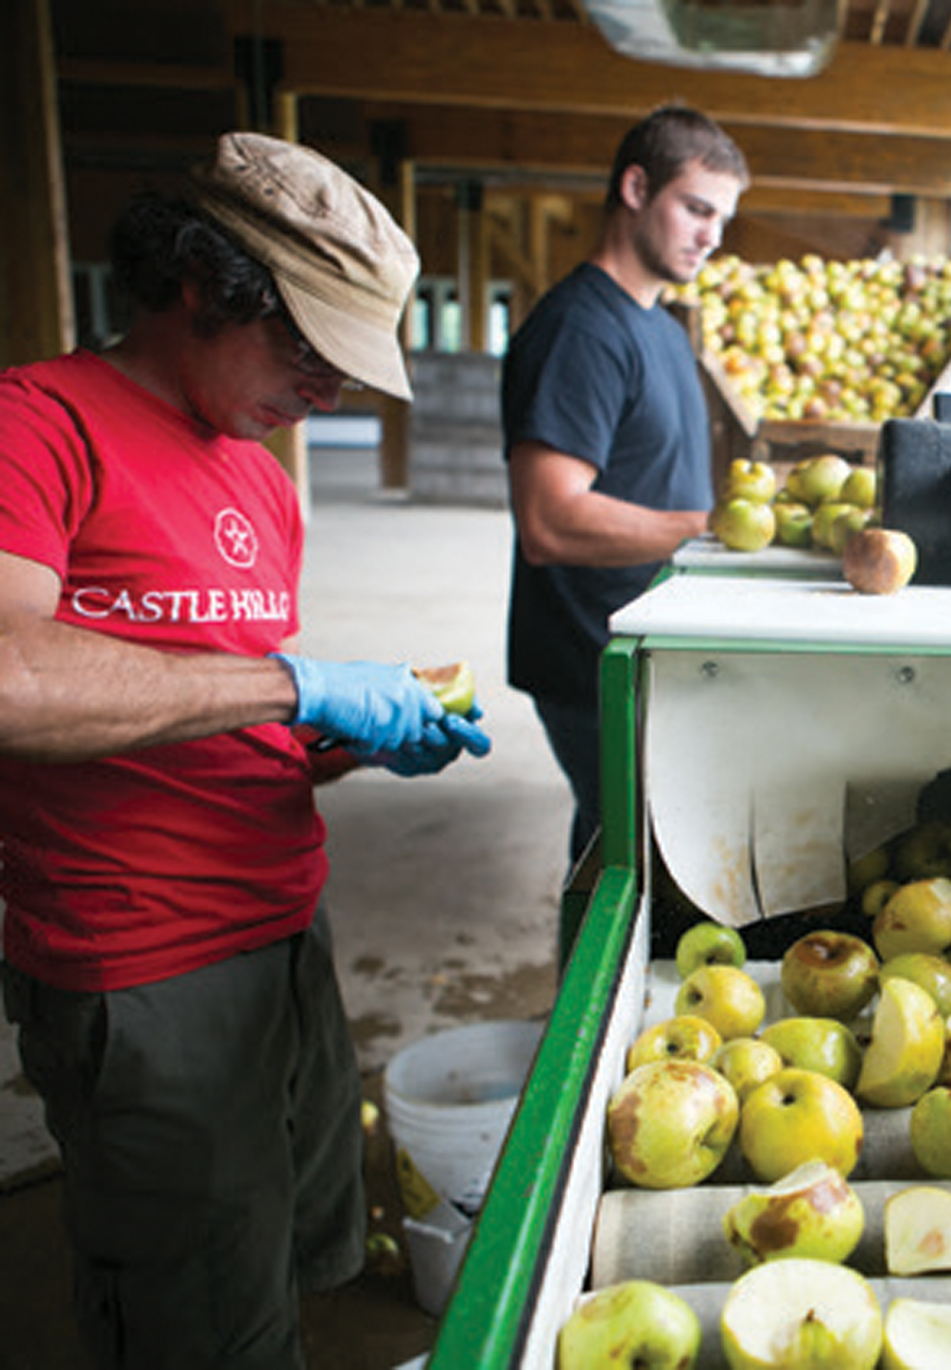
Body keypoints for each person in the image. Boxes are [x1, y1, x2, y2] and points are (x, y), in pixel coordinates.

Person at [0, 132, 490, 1366]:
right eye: (306, 349)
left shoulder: (260, 480)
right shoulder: (37, 426)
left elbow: (211, 705)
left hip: (288, 924)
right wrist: (292, 679)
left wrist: (337, 733)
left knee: (292, 1243)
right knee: (192, 1310)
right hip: (141, 956)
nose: (326, 392)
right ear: (202, 283)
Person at [503, 104, 749, 872]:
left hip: (639, 639)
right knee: (626, 865)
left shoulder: (661, 328)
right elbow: (549, 518)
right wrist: (707, 531)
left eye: (723, 218)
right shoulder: (583, 330)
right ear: (636, 187)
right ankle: (582, 996)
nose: (711, 235)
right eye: (696, 208)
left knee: (623, 850)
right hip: (591, 655)